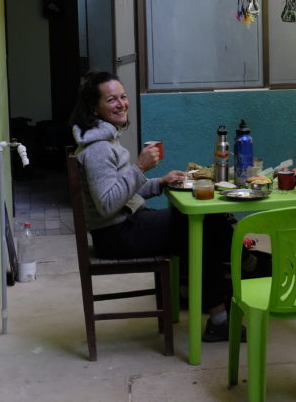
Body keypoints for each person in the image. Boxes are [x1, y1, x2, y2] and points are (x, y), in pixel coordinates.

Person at [69, 70, 239, 342]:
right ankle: (224, 305)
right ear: (94, 108)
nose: (122, 104)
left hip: (126, 226)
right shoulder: (99, 148)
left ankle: (216, 298)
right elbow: (108, 203)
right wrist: (139, 167)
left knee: (209, 222)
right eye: (112, 100)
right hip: (116, 235)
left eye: (123, 97)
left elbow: (123, 191)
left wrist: (160, 182)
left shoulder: (105, 139)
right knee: (203, 224)